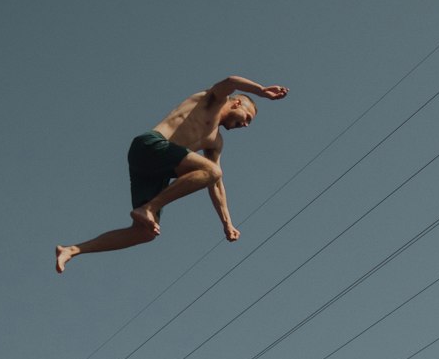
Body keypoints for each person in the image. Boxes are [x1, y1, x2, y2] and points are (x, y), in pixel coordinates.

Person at [55, 74, 288, 273]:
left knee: (144, 233)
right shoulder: (213, 100)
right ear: (237, 103)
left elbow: (215, 183)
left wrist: (227, 223)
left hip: (156, 170)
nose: (245, 126)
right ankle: (148, 208)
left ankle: (72, 250)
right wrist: (261, 91)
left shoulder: (215, 142)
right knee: (212, 170)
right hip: (149, 145)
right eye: (247, 118)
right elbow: (231, 80)